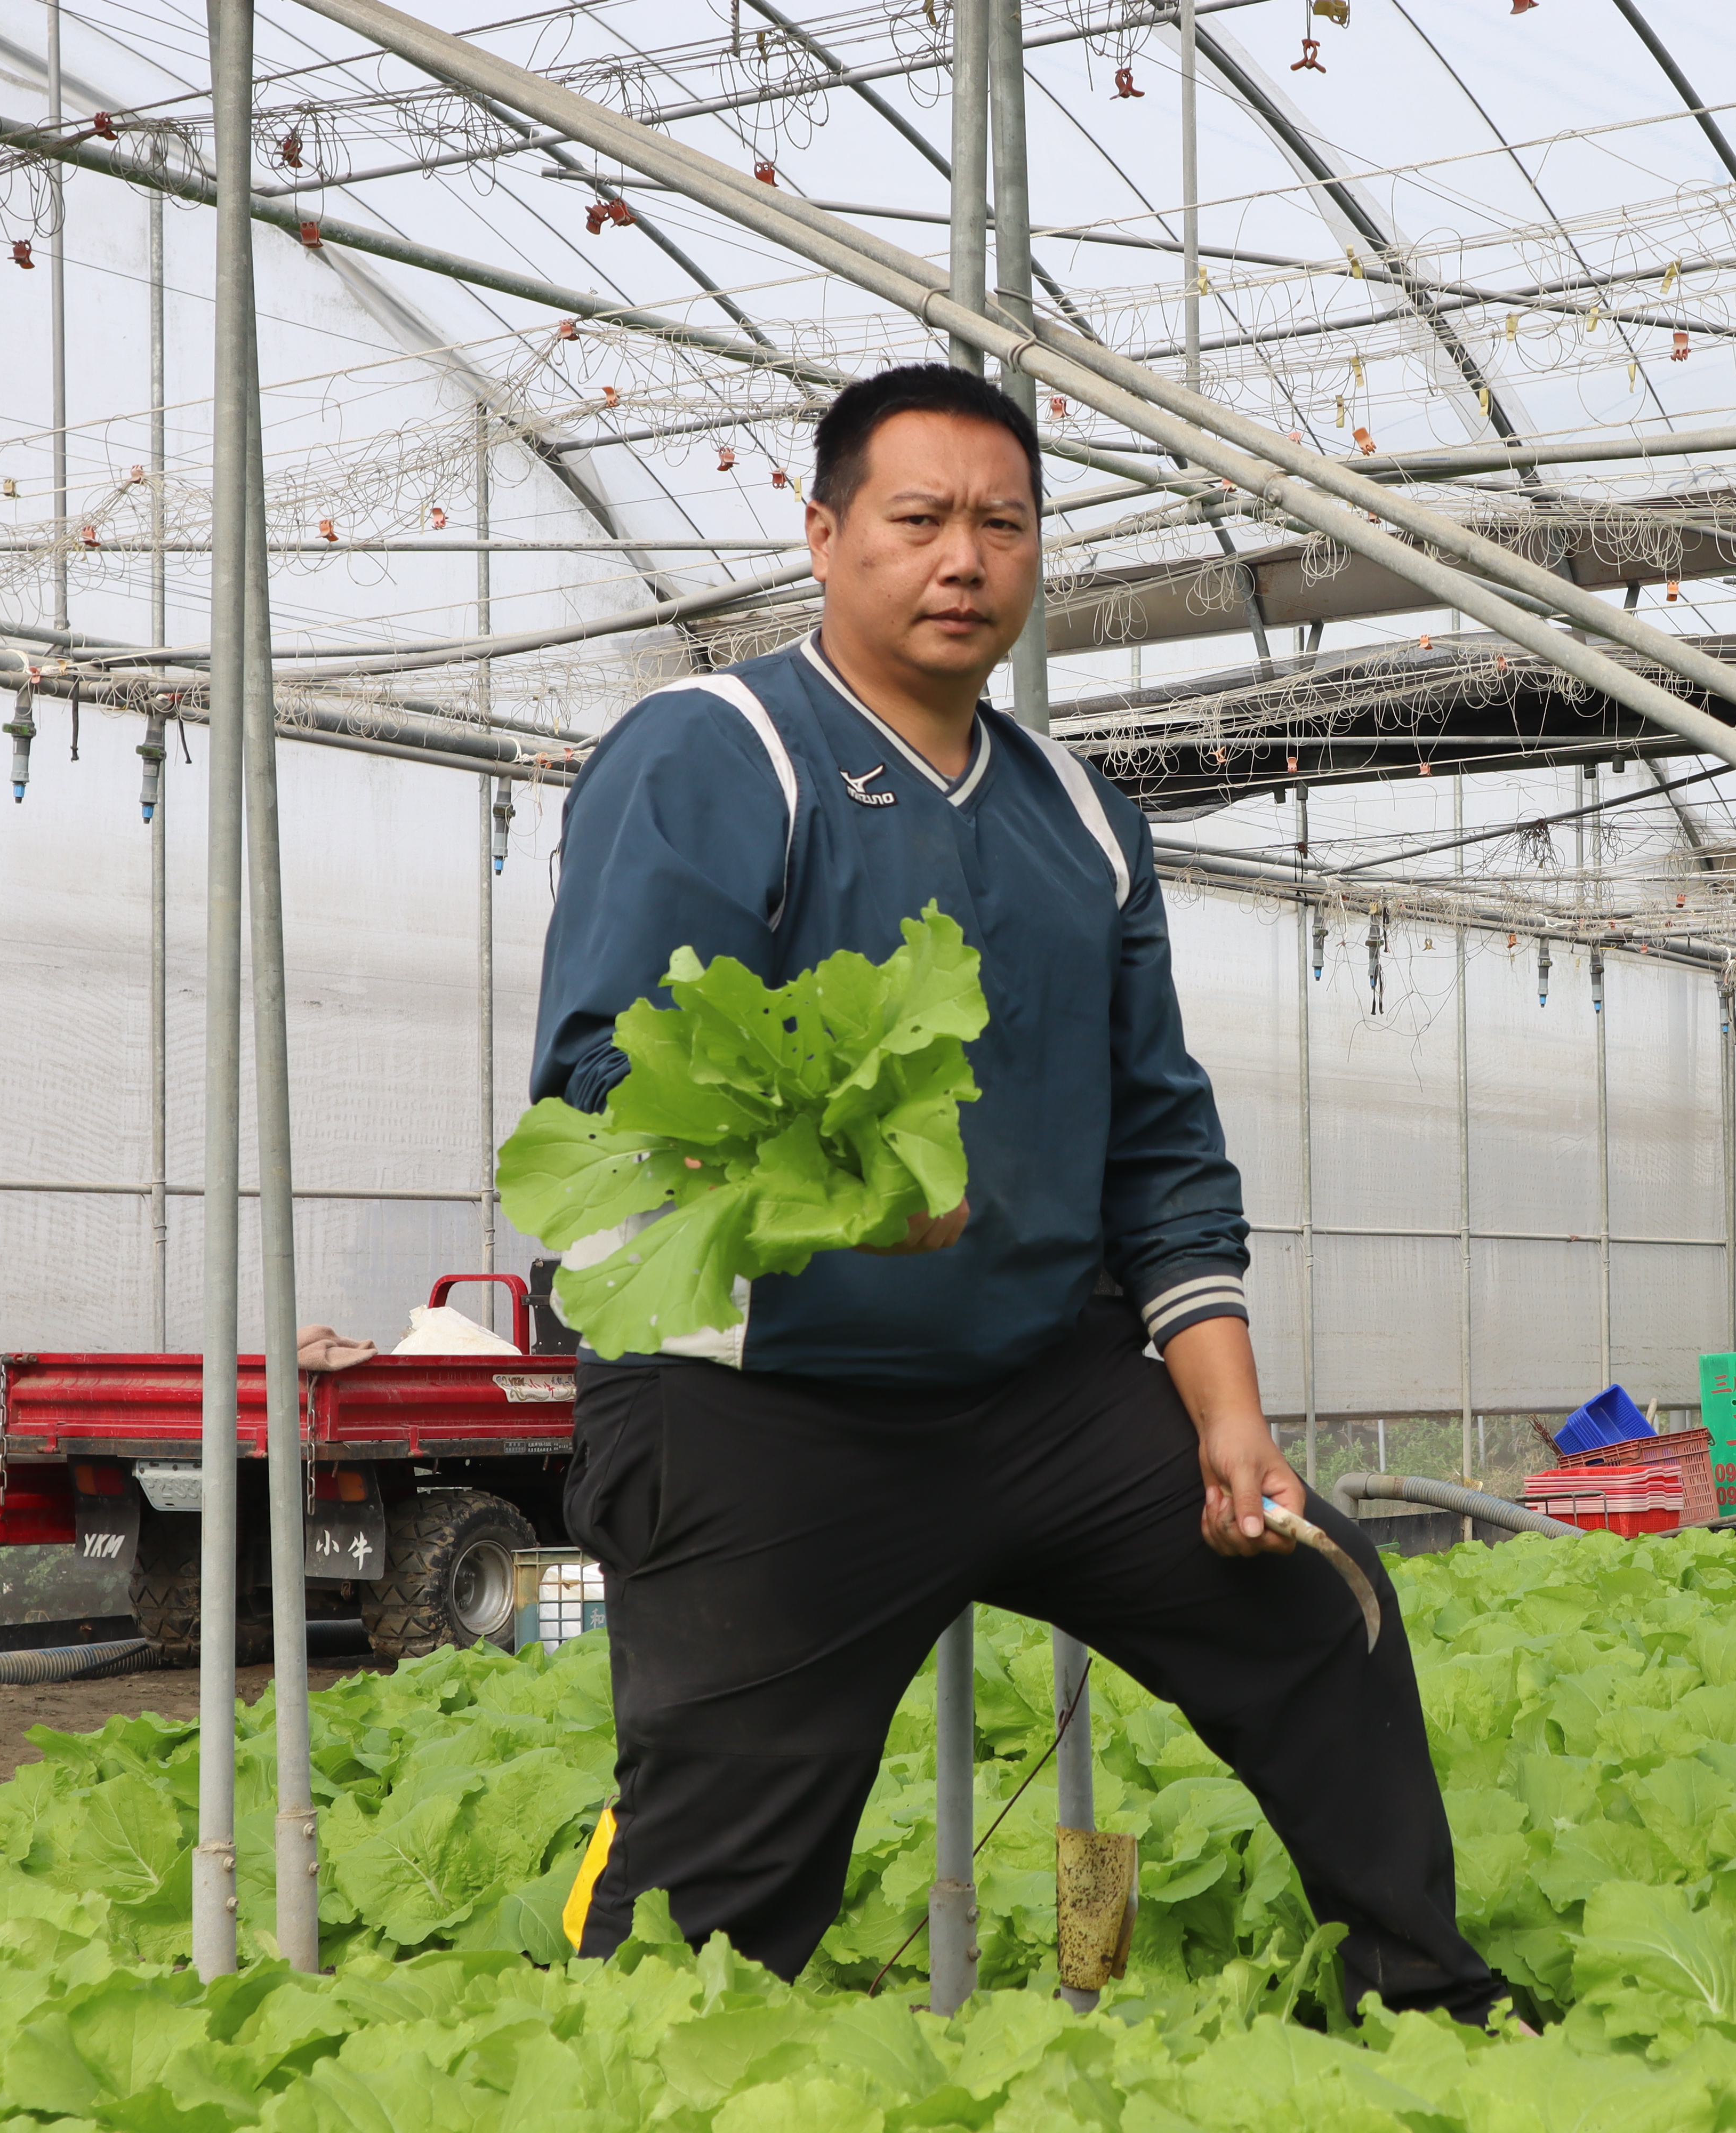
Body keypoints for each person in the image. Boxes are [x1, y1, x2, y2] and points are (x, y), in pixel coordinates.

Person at [534, 361, 1501, 2021]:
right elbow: (608, 1087)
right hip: (765, 1410)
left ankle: (1433, 2000)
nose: (962, 560)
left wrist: (1228, 1420)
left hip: (1038, 1400)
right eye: (918, 521)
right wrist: (842, 1196)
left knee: (1317, 1612)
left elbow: (1160, 1152)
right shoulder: (718, 753)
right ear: (827, 535)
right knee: (722, 1897)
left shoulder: (1080, 817)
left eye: (1003, 524)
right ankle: (637, 2061)